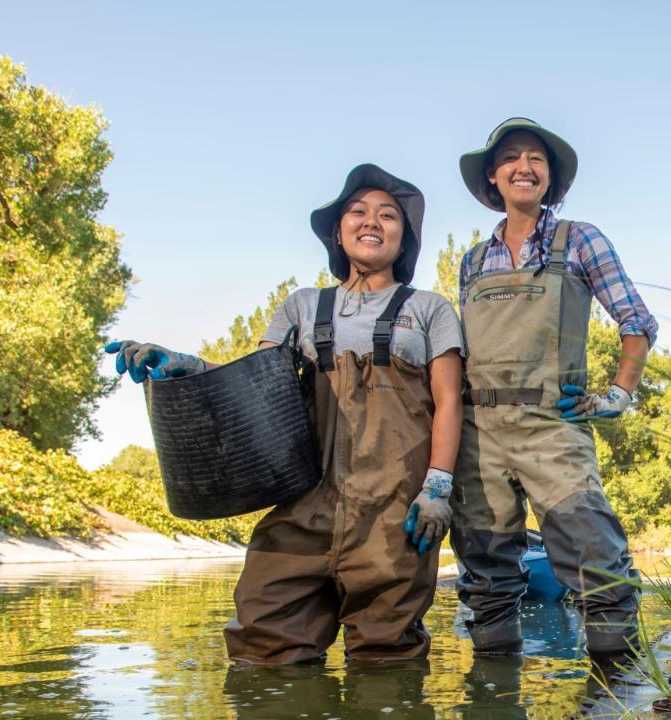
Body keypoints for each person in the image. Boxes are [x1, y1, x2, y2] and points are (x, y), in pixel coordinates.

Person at [107, 164, 464, 664]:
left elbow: (450, 400)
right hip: (301, 509)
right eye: (357, 211)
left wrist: (438, 488)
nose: (372, 222)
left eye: (388, 216)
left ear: (404, 238)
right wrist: (188, 367)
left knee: (388, 661)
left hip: (393, 517)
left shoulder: (430, 309)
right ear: (338, 232)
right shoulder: (301, 306)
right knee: (263, 649)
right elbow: (255, 385)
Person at [451, 118, 659, 660]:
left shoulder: (580, 239)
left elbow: (637, 321)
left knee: (596, 556)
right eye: (512, 158)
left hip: (553, 424)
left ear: (550, 177)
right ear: (493, 177)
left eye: (536, 159)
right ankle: (494, 695)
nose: (525, 167)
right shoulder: (472, 262)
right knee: (485, 573)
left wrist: (619, 393)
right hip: (480, 435)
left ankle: (619, 688)